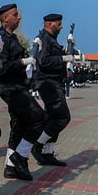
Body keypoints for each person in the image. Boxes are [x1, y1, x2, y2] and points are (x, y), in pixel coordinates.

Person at [0, 4, 43, 181]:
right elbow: (1, 67)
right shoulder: (1, 39)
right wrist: (21, 62)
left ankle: (11, 168)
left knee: (19, 125)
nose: (19, 17)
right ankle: (20, 157)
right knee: (39, 118)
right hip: (11, 88)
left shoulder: (12, 38)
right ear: (5, 19)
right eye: (15, 15)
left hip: (18, 86)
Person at [33, 13, 72, 166]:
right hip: (48, 84)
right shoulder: (44, 38)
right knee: (63, 118)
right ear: (49, 24)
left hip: (55, 82)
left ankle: (48, 153)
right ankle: (38, 145)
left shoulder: (51, 40)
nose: (61, 27)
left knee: (52, 118)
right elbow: (44, 60)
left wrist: (67, 52)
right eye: (59, 24)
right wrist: (63, 59)